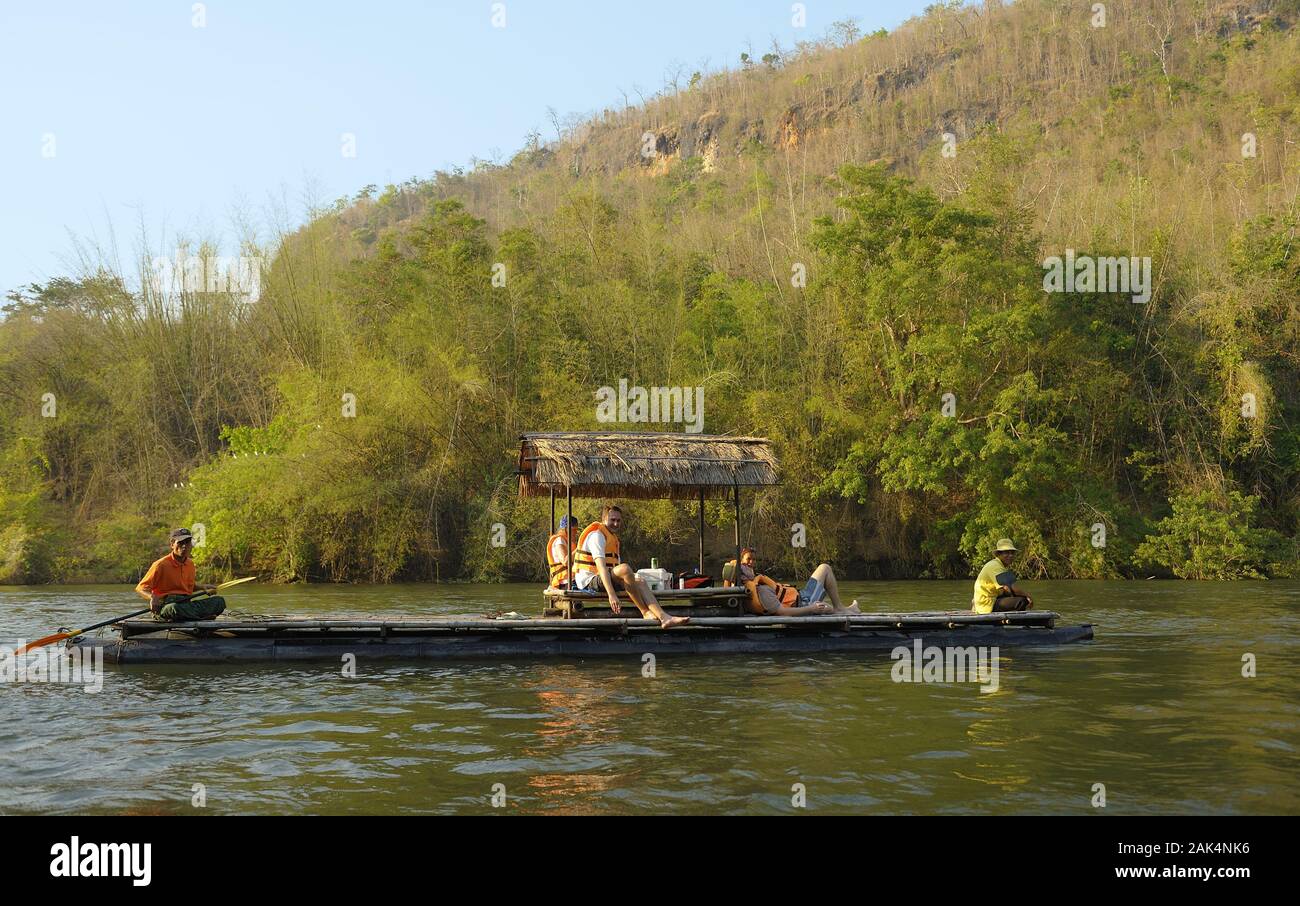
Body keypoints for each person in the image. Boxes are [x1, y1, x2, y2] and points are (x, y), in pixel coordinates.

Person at [572, 504, 688, 628]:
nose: (616, 523)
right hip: (589, 580)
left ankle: (664, 618)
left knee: (639, 580)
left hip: (603, 577)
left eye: (618, 520)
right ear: (604, 519)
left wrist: (631, 580)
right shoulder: (597, 536)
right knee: (625, 569)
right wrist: (612, 595)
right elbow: (601, 567)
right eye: (612, 520)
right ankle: (644, 611)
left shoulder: (613, 538)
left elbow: (614, 569)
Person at [730, 548, 860, 617]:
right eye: (746, 562)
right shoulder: (761, 592)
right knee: (825, 568)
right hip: (804, 602)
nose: (751, 563)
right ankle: (840, 608)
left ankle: (847, 609)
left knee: (827, 608)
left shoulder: (753, 585)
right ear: (741, 576)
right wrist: (811, 608)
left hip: (799, 597)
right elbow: (782, 612)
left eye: (753, 560)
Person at [135, 528, 226, 622]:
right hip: (166, 607)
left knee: (219, 601)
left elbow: (189, 587)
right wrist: (153, 597)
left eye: (187, 542)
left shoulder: (190, 564)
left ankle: (195, 616)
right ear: (172, 544)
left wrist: (204, 587)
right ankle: (200, 616)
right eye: (180, 542)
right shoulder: (160, 564)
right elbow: (141, 588)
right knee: (174, 608)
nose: (184, 546)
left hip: (186, 605)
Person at [972, 539, 1034, 613]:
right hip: (987, 603)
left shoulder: (1001, 566)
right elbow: (1012, 588)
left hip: (992, 598)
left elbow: (1009, 588)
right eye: (1006, 553)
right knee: (1022, 601)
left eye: (1012, 553)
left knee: (1017, 597)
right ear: (999, 554)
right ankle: (1011, 620)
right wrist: (1028, 596)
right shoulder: (995, 566)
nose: (1010, 555)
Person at [546, 515, 577, 588]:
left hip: (572, 580)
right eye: (573, 530)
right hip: (564, 582)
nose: (576, 532)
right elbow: (565, 561)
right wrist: (579, 548)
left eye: (576, 530)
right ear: (565, 529)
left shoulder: (568, 542)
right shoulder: (559, 540)